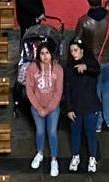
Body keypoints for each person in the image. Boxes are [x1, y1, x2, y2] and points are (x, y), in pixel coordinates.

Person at [74, 0, 109, 132]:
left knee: (94, 90)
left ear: (88, 1)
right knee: (108, 88)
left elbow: (77, 40)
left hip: (92, 61)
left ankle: (97, 123)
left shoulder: (84, 21)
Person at [63, 37, 102, 173]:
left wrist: (85, 67)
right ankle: (76, 156)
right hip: (76, 108)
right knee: (75, 133)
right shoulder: (68, 67)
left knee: (91, 134)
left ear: (82, 51)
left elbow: (96, 70)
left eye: (76, 50)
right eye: (71, 51)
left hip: (91, 106)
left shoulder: (90, 63)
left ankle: (92, 158)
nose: (73, 53)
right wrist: (69, 108)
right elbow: (66, 89)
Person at [26, 42, 64, 177]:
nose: (45, 56)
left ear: (52, 54)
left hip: (52, 108)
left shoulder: (58, 69)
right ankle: (40, 153)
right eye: (42, 53)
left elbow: (58, 92)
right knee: (40, 131)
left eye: (47, 53)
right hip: (37, 107)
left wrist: (48, 108)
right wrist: (38, 107)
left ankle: (54, 159)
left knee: (52, 132)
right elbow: (29, 89)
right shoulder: (32, 68)